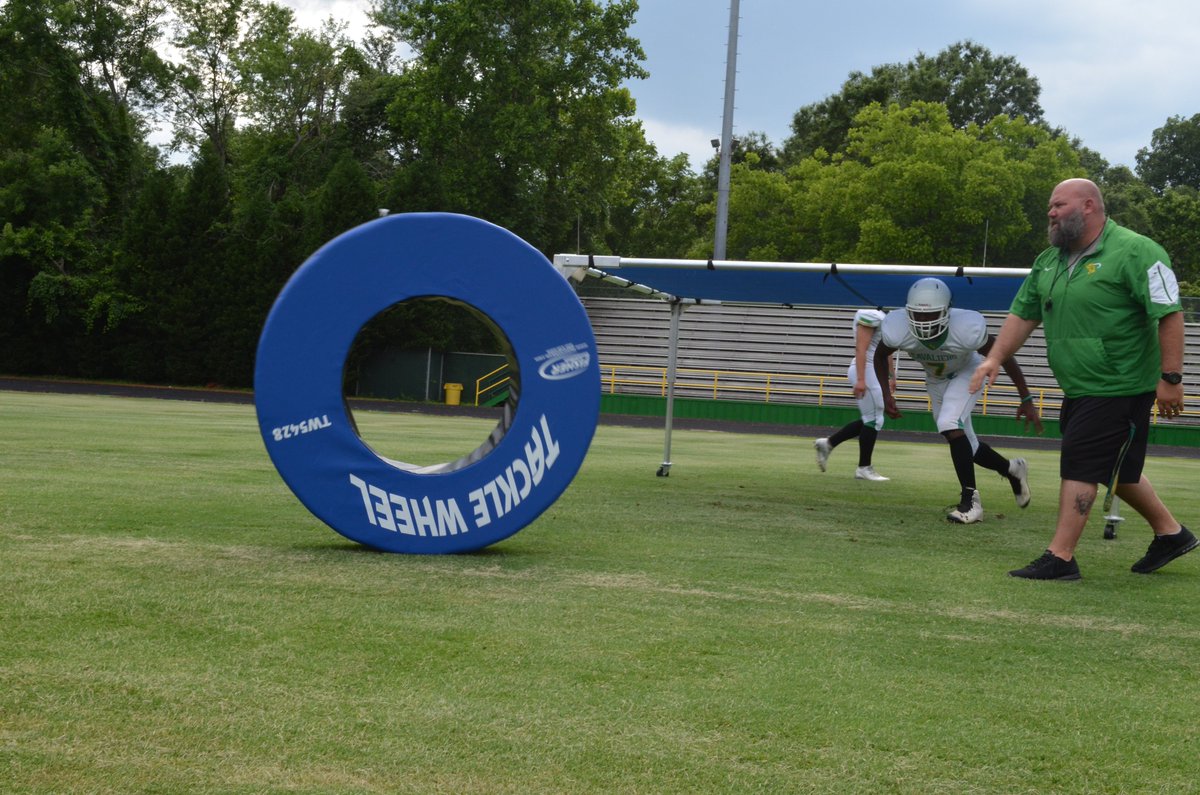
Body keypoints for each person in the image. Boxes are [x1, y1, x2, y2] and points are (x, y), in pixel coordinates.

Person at [971, 177, 1194, 580]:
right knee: (1114, 469)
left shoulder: (1137, 250)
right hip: (1079, 385)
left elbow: (1169, 313)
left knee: (1080, 464)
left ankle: (1060, 557)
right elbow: (1023, 314)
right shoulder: (1048, 261)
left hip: (1119, 383)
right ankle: (1172, 534)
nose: (1051, 213)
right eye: (1050, 207)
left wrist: (1172, 378)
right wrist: (995, 358)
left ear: (1089, 205)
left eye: (1059, 205)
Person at [873, 277, 1041, 523]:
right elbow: (879, 356)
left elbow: (1002, 355)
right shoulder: (897, 328)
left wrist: (1025, 397)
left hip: (967, 372)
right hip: (935, 380)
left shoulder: (966, 329)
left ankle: (970, 502)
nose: (924, 321)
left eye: (931, 315)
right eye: (918, 315)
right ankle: (1012, 470)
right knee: (966, 445)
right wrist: (886, 393)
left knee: (949, 424)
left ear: (946, 312)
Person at [814, 308, 895, 481]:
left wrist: (891, 376)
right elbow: (861, 348)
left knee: (871, 418)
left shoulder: (887, 320)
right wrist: (860, 379)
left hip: (874, 371)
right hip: (867, 370)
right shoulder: (874, 315)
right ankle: (864, 468)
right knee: (874, 418)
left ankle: (828, 443)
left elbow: (886, 352)